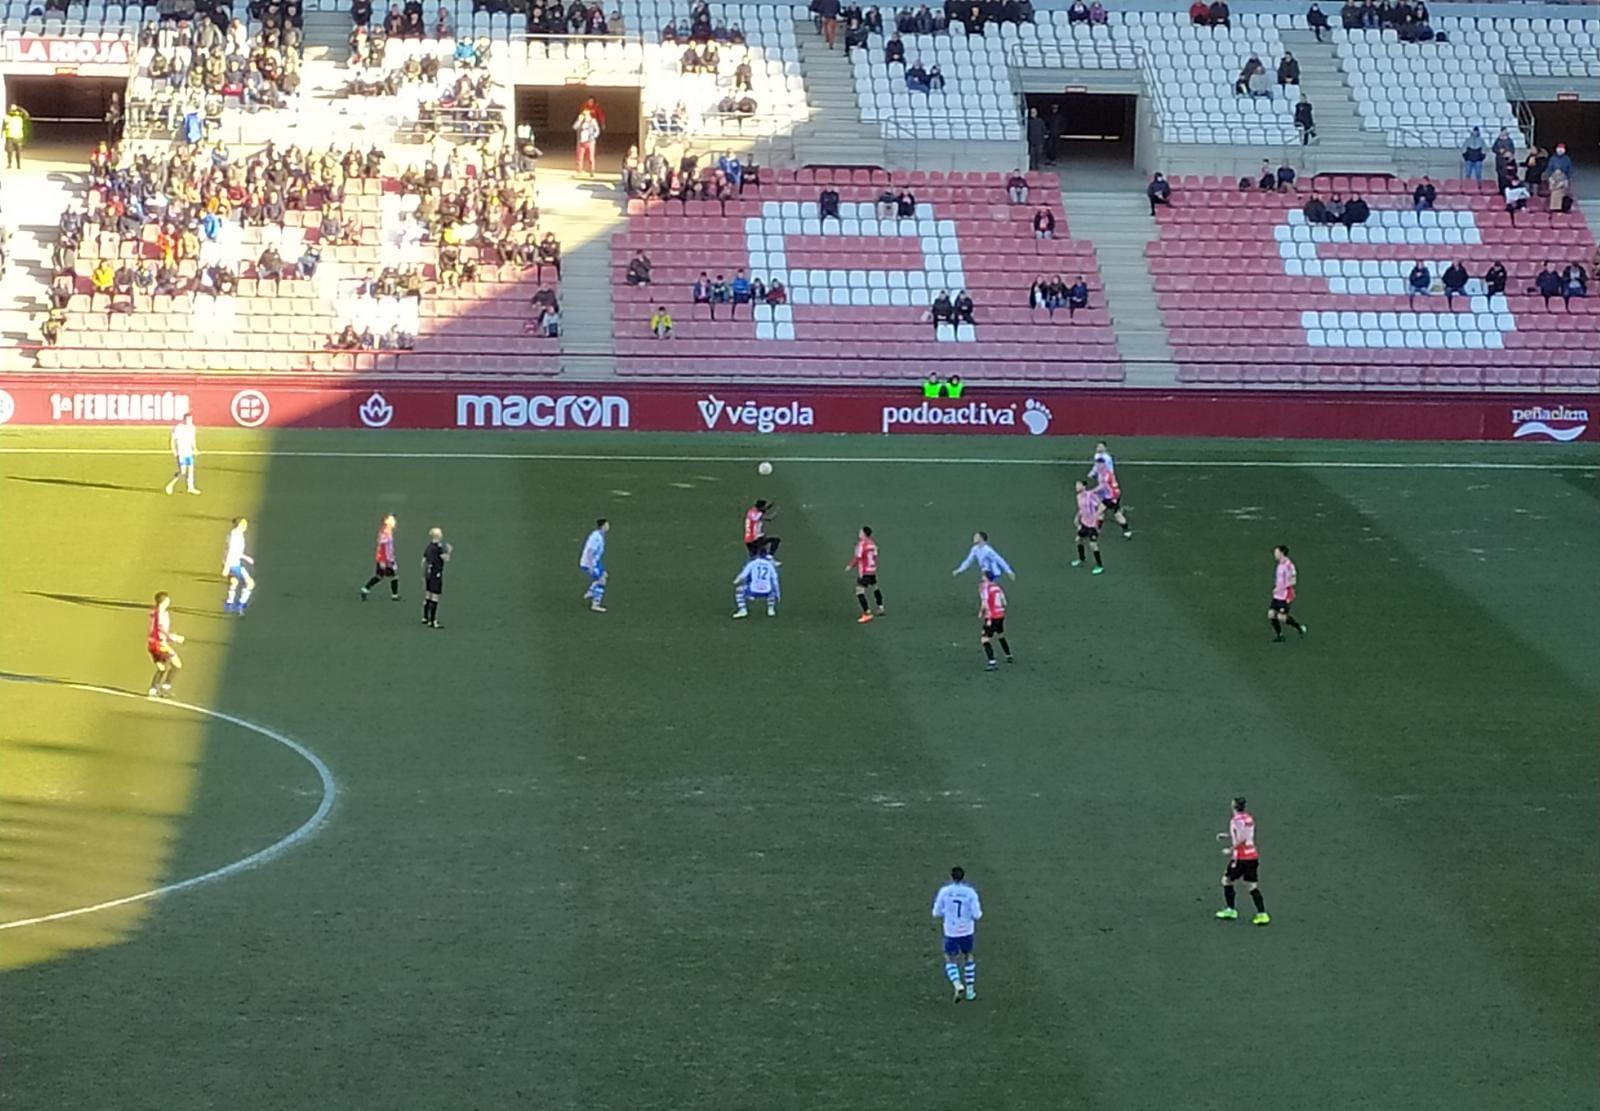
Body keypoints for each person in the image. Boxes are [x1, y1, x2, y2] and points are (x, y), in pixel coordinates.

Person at [931, 866, 982, 1002]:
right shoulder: (970, 893)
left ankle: (957, 984)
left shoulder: (945, 891)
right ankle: (970, 991)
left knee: (949, 958)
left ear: (951, 876)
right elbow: (977, 915)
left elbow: (936, 912)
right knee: (969, 956)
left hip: (951, 932)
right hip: (967, 931)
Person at [1216, 797, 1269, 925]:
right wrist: (1227, 835)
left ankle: (1231, 910)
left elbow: (1242, 838)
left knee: (1226, 880)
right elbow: (1246, 834)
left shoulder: (1235, 820)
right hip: (1253, 856)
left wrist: (1230, 849)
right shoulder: (1249, 818)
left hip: (1241, 858)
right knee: (1252, 886)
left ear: (1233, 805)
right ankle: (1262, 914)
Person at [1087, 441, 1132, 538]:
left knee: (1101, 511)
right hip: (1109, 494)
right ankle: (1126, 531)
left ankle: (1096, 531)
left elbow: (1103, 486)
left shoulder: (1106, 474)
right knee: (1113, 513)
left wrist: (1092, 492)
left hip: (1111, 496)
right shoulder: (1101, 470)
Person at [146, 591, 186, 699]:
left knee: (162, 668)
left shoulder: (154, 614)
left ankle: (153, 690)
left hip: (153, 645)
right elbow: (160, 629)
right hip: (159, 645)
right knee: (177, 664)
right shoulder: (159, 615)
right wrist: (173, 637)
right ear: (164, 601)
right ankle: (165, 687)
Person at [846, 525, 884, 623]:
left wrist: (850, 566)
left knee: (859, 591)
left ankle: (866, 613)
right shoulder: (873, 544)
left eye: (860, 532)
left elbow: (858, 557)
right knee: (875, 587)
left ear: (864, 534)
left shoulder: (861, 544)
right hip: (872, 570)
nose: (859, 534)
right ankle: (881, 607)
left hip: (865, 571)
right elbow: (875, 556)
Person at [1268, 544, 1306, 642]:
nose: (1274, 554)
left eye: (1276, 552)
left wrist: (1280, 588)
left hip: (1284, 596)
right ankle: (1280, 635)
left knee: (1281, 617)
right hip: (1277, 595)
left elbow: (1293, 581)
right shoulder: (1279, 564)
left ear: (1281, 553)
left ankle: (1299, 627)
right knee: (1271, 614)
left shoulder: (1289, 565)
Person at [360, 514, 402, 601]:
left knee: (380, 576)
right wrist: (385, 562)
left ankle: (365, 589)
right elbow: (383, 549)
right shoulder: (386, 534)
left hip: (385, 560)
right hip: (386, 561)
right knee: (393, 576)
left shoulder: (385, 532)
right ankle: (394, 595)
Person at [977, 570, 1012, 670]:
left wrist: (986, 616)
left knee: (984, 639)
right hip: (1000, 615)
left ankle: (992, 662)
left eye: (983, 576)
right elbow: (1004, 602)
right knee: (1000, 634)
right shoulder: (998, 588)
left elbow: (985, 603)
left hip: (992, 617)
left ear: (986, 577)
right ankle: (1008, 655)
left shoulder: (986, 589)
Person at [731, 549, 780, 619]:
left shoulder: (752, 563)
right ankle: (771, 609)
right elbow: (775, 580)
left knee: (739, 590)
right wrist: (778, 594)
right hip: (766, 591)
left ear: (757, 555)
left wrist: (736, 581)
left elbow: (743, 575)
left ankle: (743, 610)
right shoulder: (770, 565)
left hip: (753, 590)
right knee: (772, 591)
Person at [222, 517, 256, 615]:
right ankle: (241, 604)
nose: (246, 526)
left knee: (234, 582)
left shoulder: (234, 534)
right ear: (240, 524)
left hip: (231, 562)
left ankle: (229, 602)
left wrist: (246, 557)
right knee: (250, 583)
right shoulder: (236, 536)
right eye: (245, 524)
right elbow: (231, 551)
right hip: (233, 564)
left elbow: (236, 551)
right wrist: (227, 567)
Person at [1071, 479, 1105, 574]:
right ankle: (1082, 559)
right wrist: (1077, 517)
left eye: (1078, 485)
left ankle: (1099, 565)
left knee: (1093, 545)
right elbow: (1081, 509)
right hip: (1084, 523)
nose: (1076, 487)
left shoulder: (1090, 495)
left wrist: (1096, 515)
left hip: (1092, 525)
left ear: (1083, 486)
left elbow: (1102, 506)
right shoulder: (1078, 497)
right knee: (1078, 540)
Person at [164, 413, 201, 495]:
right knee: (183, 471)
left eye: (190, 420)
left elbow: (192, 440)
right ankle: (170, 485)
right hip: (181, 453)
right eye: (188, 420)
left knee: (191, 469)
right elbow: (172, 439)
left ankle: (191, 487)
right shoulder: (178, 428)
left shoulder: (192, 428)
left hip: (189, 452)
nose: (189, 421)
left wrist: (195, 448)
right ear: (184, 419)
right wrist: (174, 450)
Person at [421, 526, 450, 628]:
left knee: (428, 594)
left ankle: (425, 617)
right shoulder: (438, 548)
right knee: (435, 596)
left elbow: (423, 560)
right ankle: (433, 621)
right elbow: (446, 559)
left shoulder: (429, 547)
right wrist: (449, 551)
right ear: (438, 536)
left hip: (428, 574)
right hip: (436, 574)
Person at [580, 517, 609, 613]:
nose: (608, 526)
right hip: (590, 563)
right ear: (603, 526)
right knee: (602, 580)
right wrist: (591, 567)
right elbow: (590, 551)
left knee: (604, 575)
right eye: (607, 524)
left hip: (595, 562)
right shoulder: (595, 537)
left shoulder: (599, 535)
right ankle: (595, 604)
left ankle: (591, 592)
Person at [573, 107, 601, 176]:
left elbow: (597, 130)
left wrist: (594, 136)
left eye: (586, 114)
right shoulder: (581, 121)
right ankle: (579, 170)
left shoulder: (593, 120)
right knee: (580, 157)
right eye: (583, 114)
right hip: (581, 142)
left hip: (590, 141)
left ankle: (591, 171)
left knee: (591, 157)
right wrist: (579, 121)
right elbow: (574, 127)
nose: (585, 115)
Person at [3, 105, 27, 170]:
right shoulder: (7, 116)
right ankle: (9, 164)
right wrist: (2, 134)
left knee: (18, 152)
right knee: (9, 151)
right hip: (9, 137)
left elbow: (26, 114)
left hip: (18, 137)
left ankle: (18, 165)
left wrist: (19, 108)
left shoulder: (20, 116)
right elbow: (3, 126)